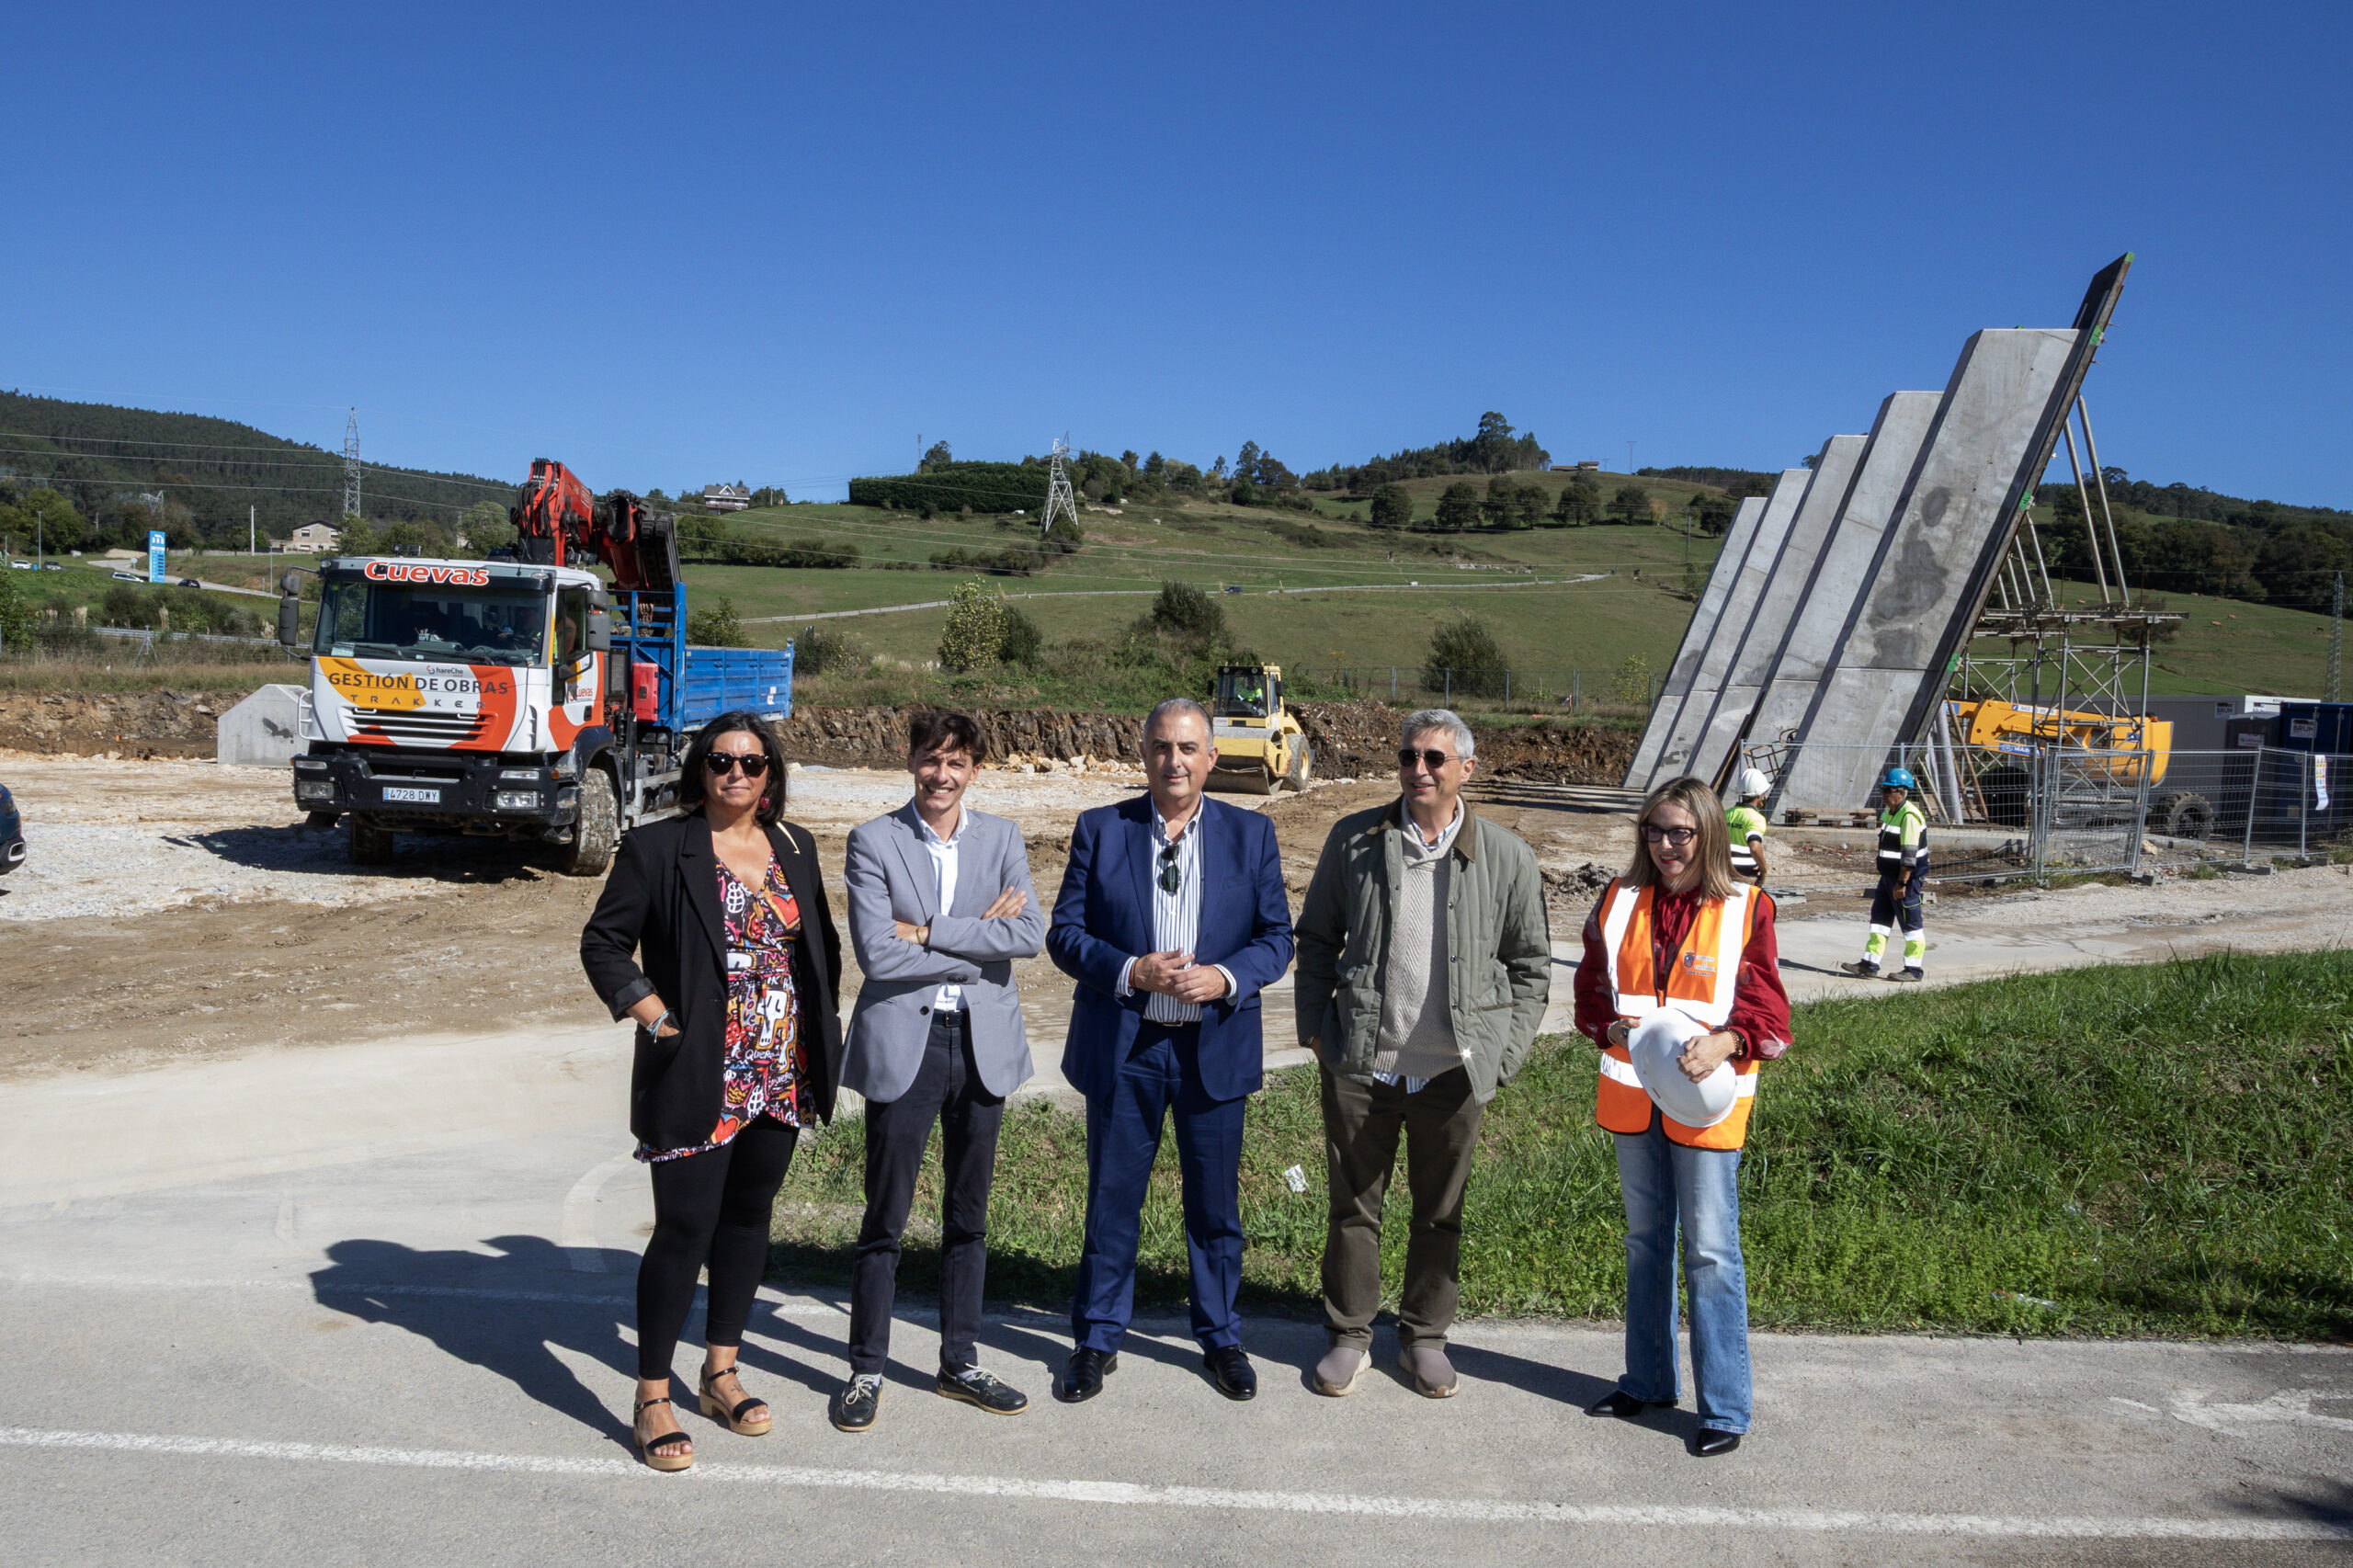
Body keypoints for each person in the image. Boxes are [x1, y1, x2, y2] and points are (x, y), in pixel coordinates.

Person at [579, 710, 844, 1472]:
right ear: (700, 769)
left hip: (779, 1069)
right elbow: (603, 942)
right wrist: (657, 1019)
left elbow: (820, 946)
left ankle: (720, 1370)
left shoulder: (796, 846)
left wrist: (819, 1035)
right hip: (700, 1069)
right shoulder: (660, 847)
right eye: (721, 761)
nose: (736, 774)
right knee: (683, 1230)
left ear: (772, 775)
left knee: (748, 1222)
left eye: (752, 763)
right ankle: (653, 1393)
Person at [1293, 710, 1552, 1399]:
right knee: (1353, 1208)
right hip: (1362, 1062)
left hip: (1453, 1068)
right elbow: (1316, 939)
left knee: (1440, 1212)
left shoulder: (1506, 855)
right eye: (1409, 756)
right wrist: (1317, 1030)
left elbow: (1531, 966)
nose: (1419, 770)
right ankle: (1350, 1335)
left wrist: (1503, 1053)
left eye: (1435, 758)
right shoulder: (1354, 842)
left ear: (1468, 768)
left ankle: (1425, 1337)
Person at [1046, 697, 1293, 1405]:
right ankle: (1096, 1338)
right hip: (1127, 1046)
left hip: (1212, 1047)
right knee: (1112, 1200)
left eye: (1188, 748)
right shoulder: (1101, 829)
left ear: (1211, 758)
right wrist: (1131, 972)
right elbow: (1065, 934)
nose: (1174, 761)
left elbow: (1277, 938)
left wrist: (1225, 977)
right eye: (1161, 747)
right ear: (1143, 753)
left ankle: (1220, 1337)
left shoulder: (1252, 836)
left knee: (1214, 1207)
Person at [831, 710, 1044, 1432]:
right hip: (906, 1047)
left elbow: (1029, 936)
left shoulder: (1004, 838)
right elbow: (877, 957)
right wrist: (980, 943)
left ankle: (960, 1362)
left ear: (975, 770)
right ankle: (866, 1369)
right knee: (884, 1219)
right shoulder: (874, 841)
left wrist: (926, 931)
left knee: (968, 1218)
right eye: (930, 760)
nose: (941, 775)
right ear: (911, 760)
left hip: (981, 1042)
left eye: (956, 763)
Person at [1574, 775, 1790, 1458]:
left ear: (1708, 835)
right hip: (1634, 1100)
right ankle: (1647, 1380)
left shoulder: (1747, 908)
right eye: (1654, 831)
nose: (1665, 846)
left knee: (1711, 1252)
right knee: (1646, 1244)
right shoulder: (1615, 901)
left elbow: (1771, 1015)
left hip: (1705, 1108)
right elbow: (1589, 995)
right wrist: (1612, 1029)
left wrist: (1727, 1041)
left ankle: (1724, 1408)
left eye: (1680, 833)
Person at [1841, 767, 1927, 982]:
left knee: (1911, 925)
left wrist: (1901, 883)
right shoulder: (1890, 813)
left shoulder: (1909, 816)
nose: (1884, 795)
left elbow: (1909, 856)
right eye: (1883, 790)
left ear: (1902, 791)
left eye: (1888, 791)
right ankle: (1870, 964)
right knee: (1879, 921)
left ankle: (1913, 969)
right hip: (1888, 878)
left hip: (1905, 880)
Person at [1726, 767, 1773, 887]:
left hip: (1723, 870)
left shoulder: (1725, 814)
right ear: (1760, 796)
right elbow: (1754, 847)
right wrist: (1763, 868)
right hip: (1746, 873)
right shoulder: (1756, 818)